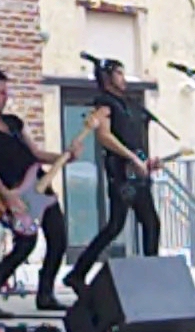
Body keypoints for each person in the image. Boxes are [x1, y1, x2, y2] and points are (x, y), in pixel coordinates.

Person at [0, 68, 85, 319]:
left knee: (58, 238)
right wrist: (6, 194)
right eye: (1, 92)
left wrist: (64, 157)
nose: (6, 97)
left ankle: (46, 294)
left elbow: (36, 154)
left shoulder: (13, 123)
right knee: (25, 246)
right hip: (14, 194)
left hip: (40, 187)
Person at [63, 58, 162, 296]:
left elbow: (132, 140)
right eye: (119, 73)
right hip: (121, 174)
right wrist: (132, 158)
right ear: (107, 77)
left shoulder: (129, 104)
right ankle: (78, 273)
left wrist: (145, 161)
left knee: (149, 223)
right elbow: (104, 136)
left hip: (135, 173)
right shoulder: (105, 103)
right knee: (116, 226)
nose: (123, 78)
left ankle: (150, 276)